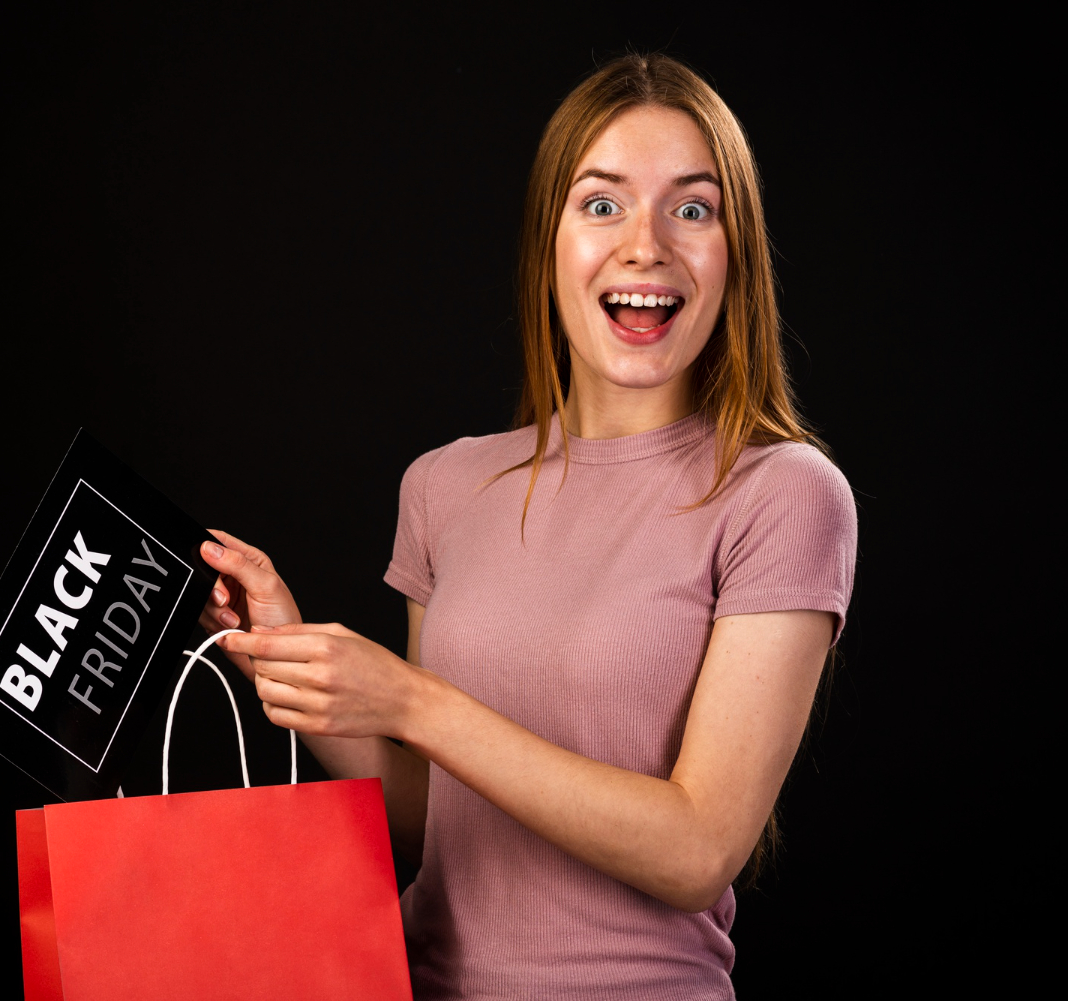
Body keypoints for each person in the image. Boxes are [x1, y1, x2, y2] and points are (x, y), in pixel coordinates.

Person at [196, 53, 856, 1000]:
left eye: (692, 208)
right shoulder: (444, 486)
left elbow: (698, 847)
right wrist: (294, 659)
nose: (645, 247)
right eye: (601, 205)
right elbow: (434, 823)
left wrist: (413, 702)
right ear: (548, 241)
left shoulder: (784, 495)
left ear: (735, 251)